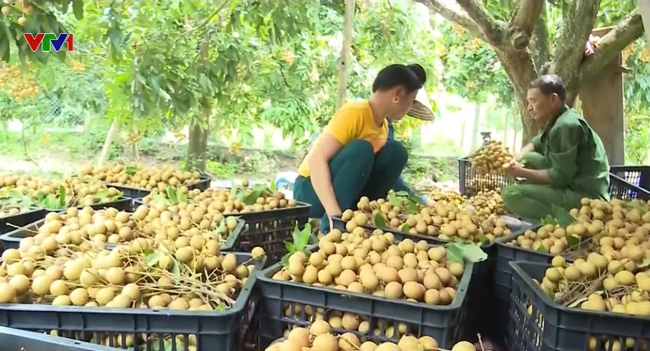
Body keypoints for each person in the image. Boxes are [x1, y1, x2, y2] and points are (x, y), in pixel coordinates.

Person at [294, 64, 433, 233]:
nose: (410, 107)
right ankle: (331, 228)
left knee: (396, 152)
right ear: (397, 94)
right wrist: (333, 215)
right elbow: (317, 160)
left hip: (343, 196)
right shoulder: (355, 113)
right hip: (310, 192)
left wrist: (414, 200)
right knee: (362, 149)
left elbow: (384, 177)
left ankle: (362, 219)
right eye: (411, 100)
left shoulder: (382, 128)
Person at [501, 74, 610, 224]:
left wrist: (519, 171)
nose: (529, 108)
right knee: (529, 158)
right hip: (575, 181)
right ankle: (547, 205)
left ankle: (564, 221)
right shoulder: (560, 118)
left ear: (553, 99)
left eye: (533, 101)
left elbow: (559, 177)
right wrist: (516, 158)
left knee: (510, 194)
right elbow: (537, 143)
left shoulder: (566, 126)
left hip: (586, 197)